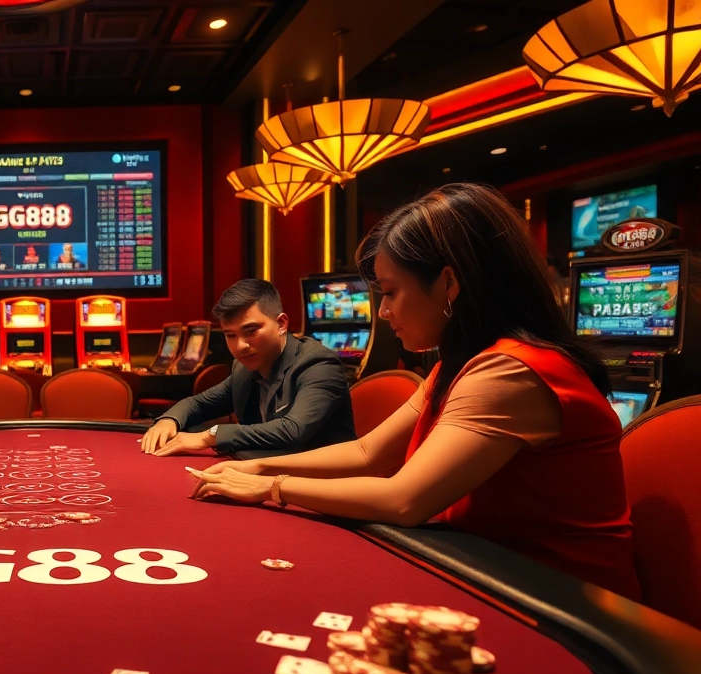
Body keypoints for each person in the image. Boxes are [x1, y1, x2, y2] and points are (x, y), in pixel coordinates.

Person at [188, 183, 640, 600]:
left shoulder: (509, 371)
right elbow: (367, 453)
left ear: (449, 283)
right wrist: (256, 465)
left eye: (390, 292)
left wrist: (271, 486)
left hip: (560, 604)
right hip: (485, 569)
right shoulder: (458, 365)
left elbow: (403, 500)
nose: (383, 312)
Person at [141, 279, 355, 459]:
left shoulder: (319, 364)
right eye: (230, 335)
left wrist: (210, 436)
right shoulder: (244, 369)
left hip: (326, 484)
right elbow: (198, 404)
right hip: (267, 475)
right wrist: (169, 420)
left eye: (251, 331)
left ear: (281, 324)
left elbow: (292, 430)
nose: (240, 345)